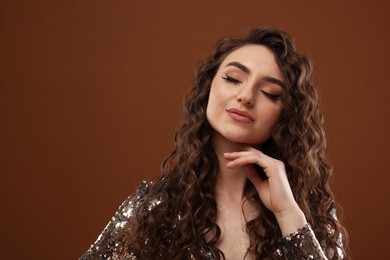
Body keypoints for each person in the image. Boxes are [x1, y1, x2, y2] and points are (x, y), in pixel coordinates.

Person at [80, 27, 347, 259]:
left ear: (286, 115)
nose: (246, 96)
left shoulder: (308, 212)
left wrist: (287, 212)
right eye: (232, 79)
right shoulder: (154, 207)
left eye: (270, 93)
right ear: (209, 88)